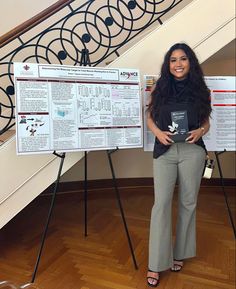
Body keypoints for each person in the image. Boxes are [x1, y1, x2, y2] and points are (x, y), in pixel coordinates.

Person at [146, 43, 212, 287]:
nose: (178, 64)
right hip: (164, 150)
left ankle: (181, 253)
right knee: (160, 205)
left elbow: (207, 122)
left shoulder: (202, 91)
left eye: (183, 59)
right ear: (168, 64)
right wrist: (156, 132)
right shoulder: (159, 87)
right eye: (173, 60)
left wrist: (201, 130)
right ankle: (156, 262)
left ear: (190, 62)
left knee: (188, 202)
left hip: (192, 151)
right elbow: (150, 117)